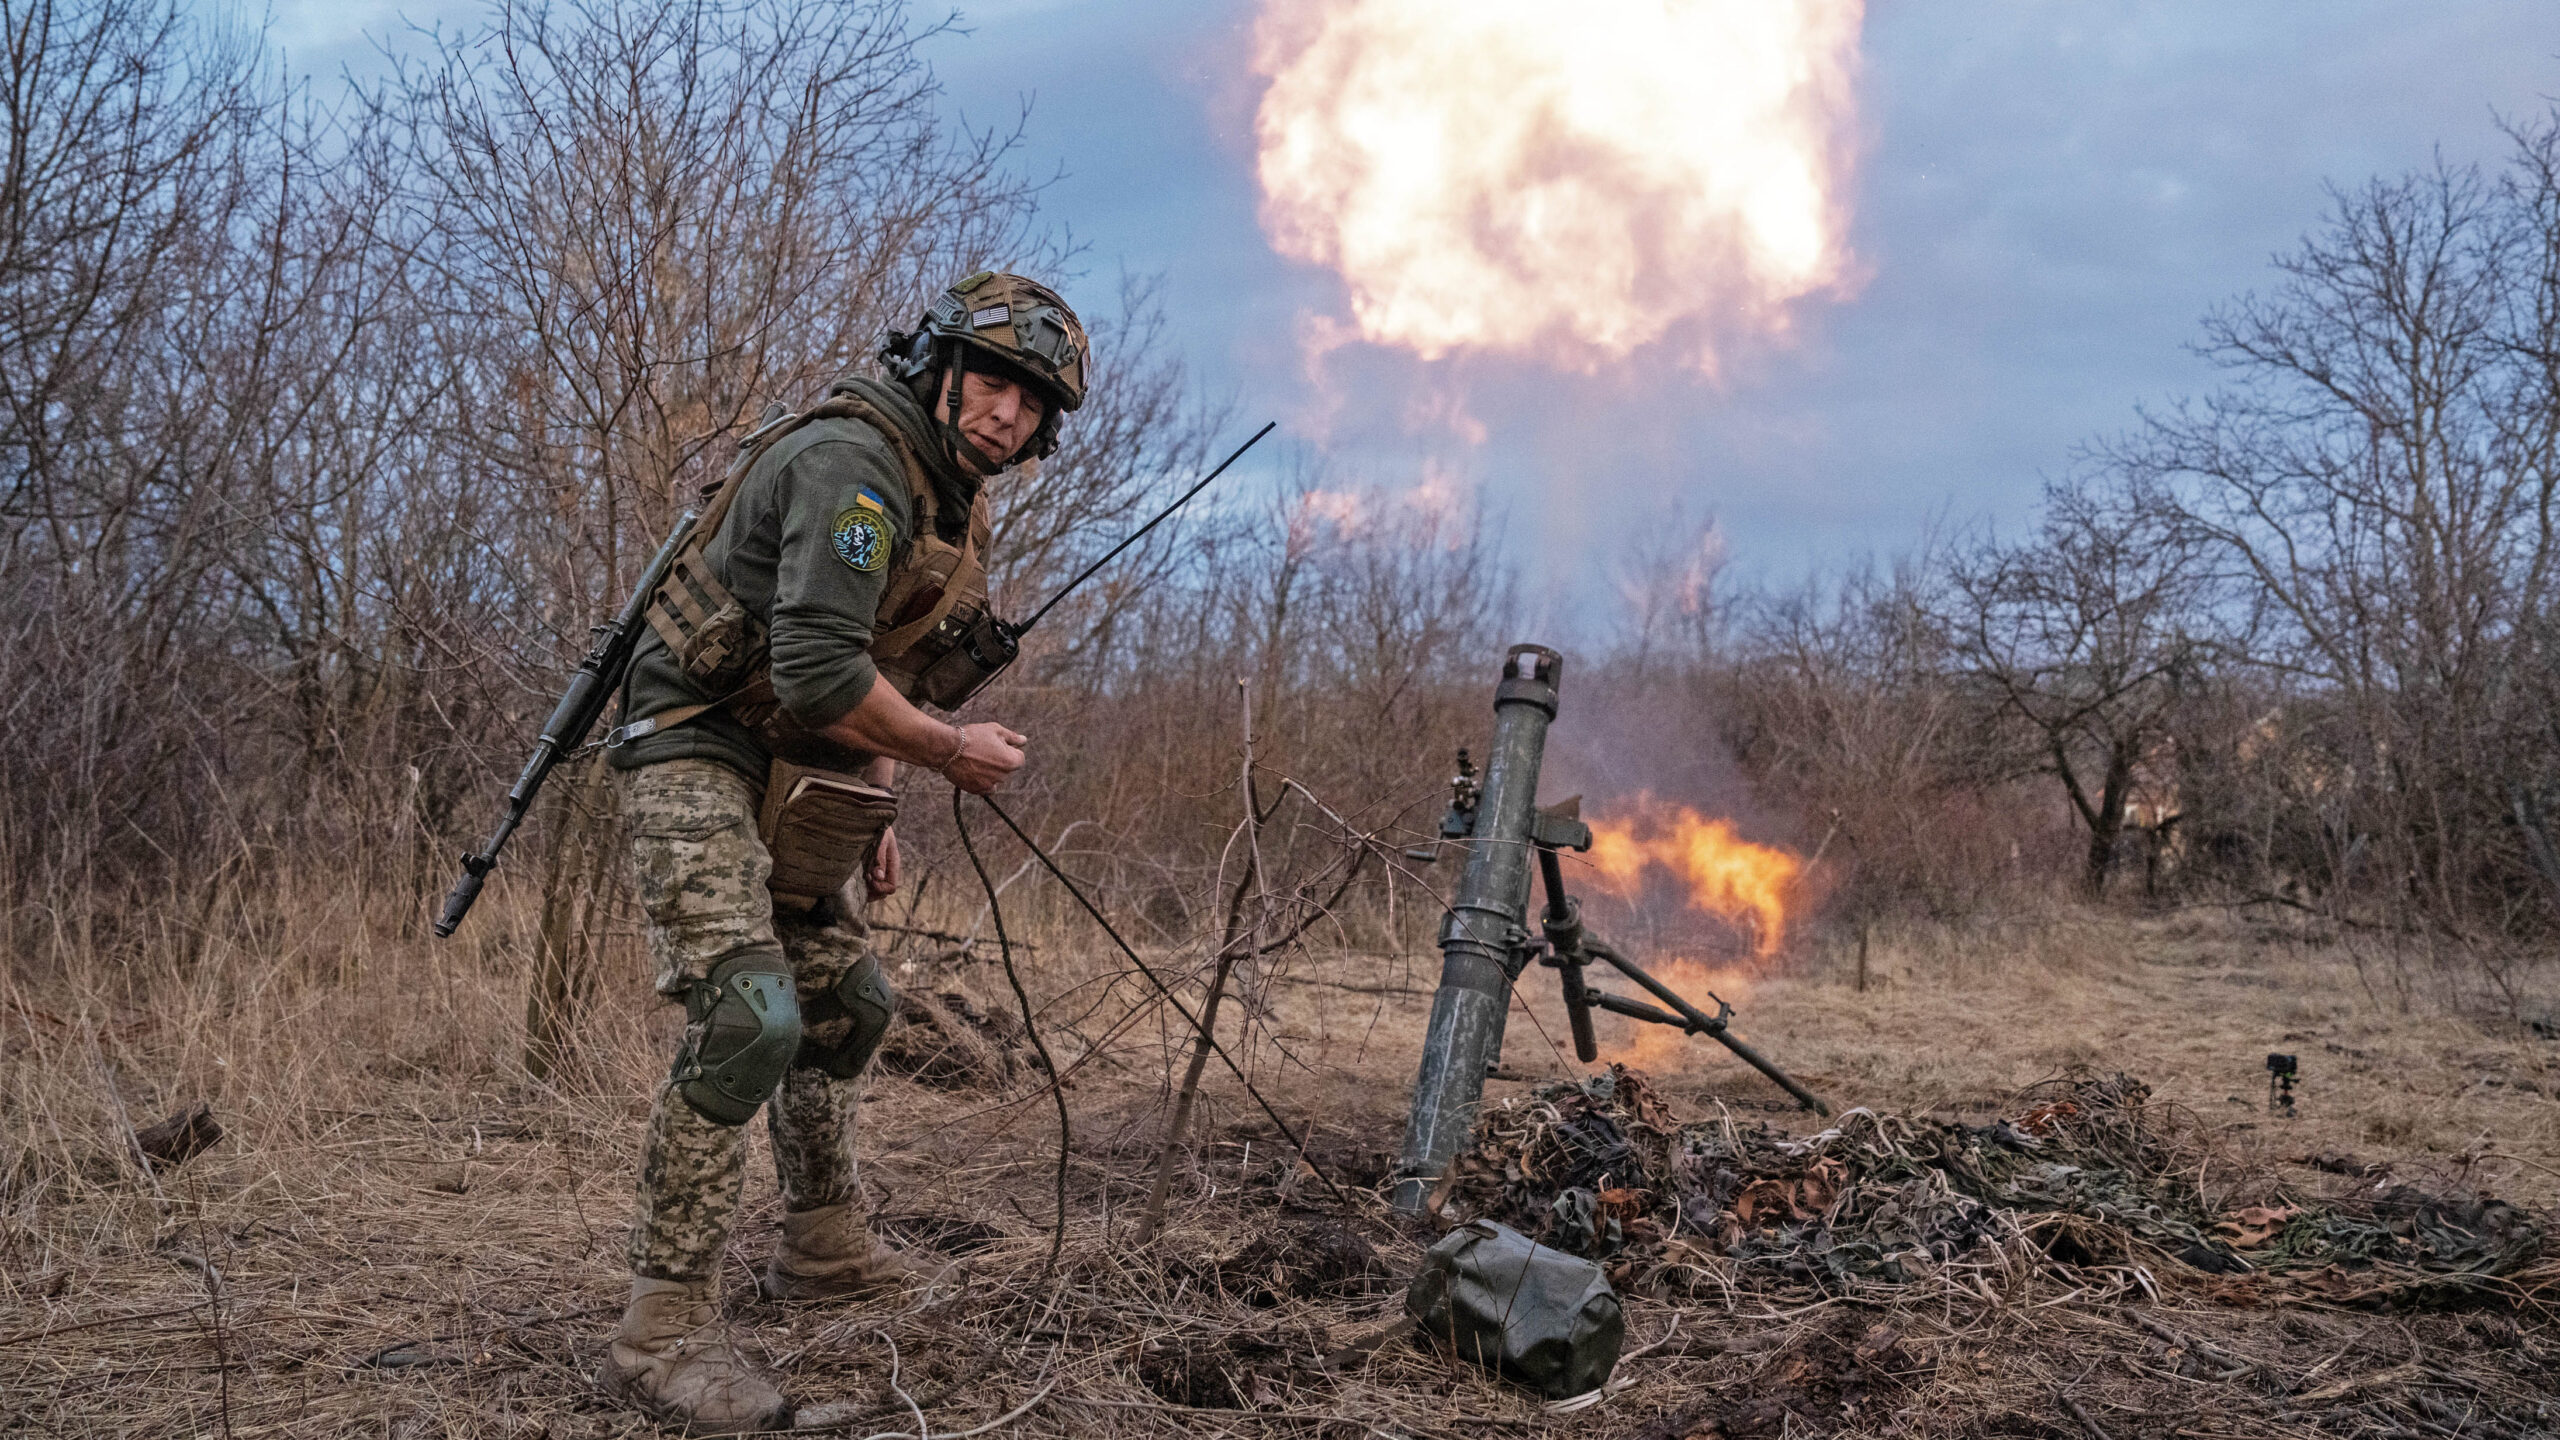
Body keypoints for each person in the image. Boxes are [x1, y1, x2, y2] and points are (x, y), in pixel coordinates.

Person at [593, 273, 1086, 1433]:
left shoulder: (948, 497)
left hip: (794, 765)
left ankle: (821, 1248)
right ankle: (659, 1334)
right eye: (995, 379)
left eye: (1033, 402)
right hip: (691, 747)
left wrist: (875, 793)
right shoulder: (857, 466)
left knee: (849, 1004)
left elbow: (870, 670)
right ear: (941, 365)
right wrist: (945, 752)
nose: (1007, 412)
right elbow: (818, 670)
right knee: (748, 1018)